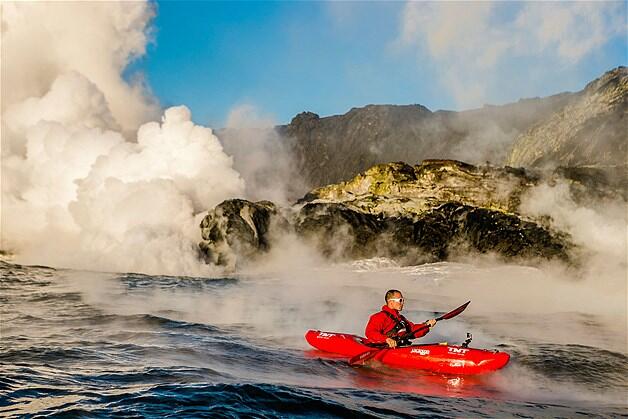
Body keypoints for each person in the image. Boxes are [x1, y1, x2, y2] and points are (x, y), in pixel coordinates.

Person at [365, 289, 437, 348]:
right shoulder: (379, 317)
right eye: (400, 300)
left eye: (403, 300)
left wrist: (427, 325)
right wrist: (386, 339)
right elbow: (370, 332)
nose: (402, 303)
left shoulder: (401, 318)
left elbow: (413, 331)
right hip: (385, 349)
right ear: (391, 302)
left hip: (401, 349)